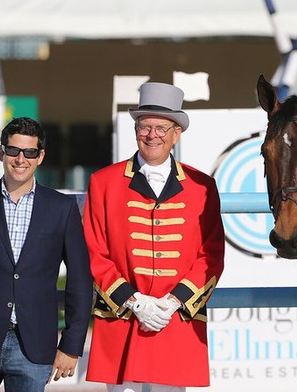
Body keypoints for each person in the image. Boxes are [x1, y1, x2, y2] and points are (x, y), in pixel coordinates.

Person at [83, 82, 225, 392]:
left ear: (177, 134)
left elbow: (211, 254)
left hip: (175, 321)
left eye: (161, 128)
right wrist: (135, 302)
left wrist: (173, 303)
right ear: (135, 130)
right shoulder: (103, 182)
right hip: (122, 320)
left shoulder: (202, 186)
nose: (152, 135)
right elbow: (94, 251)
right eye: (145, 126)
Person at [0, 117, 93, 391]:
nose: (20, 159)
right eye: (13, 150)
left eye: (30, 152)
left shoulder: (62, 208)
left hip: (34, 348)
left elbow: (80, 281)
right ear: (2, 152)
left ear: (41, 156)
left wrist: (71, 345)